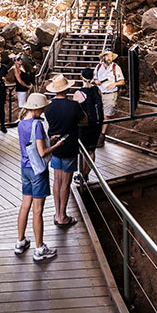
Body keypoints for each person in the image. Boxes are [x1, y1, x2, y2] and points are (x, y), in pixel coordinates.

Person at [15, 93, 67, 261]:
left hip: (25, 168)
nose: (44, 110)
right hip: (38, 170)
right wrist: (57, 145)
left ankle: (20, 241)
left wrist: (48, 140)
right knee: (38, 210)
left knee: (25, 205)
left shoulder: (21, 123)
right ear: (37, 108)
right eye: (43, 108)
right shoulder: (37, 125)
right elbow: (42, 152)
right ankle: (39, 249)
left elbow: (30, 143)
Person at [43, 73, 86, 228]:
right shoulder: (73, 105)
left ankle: (57, 212)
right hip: (69, 147)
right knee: (65, 183)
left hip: (55, 148)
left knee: (57, 180)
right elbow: (84, 120)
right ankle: (62, 216)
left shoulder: (48, 107)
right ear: (67, 89)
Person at [74, 68, 104, 183]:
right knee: (91, 151)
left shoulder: (79, 93)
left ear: (81, 77)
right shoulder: (97, 90)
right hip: (96, 125)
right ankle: (86, 175)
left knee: (82, 151)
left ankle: (81, 174)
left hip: (84, 126)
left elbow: (75, 110)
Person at [94, 51, 125, 147]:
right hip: (99, 94)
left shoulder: (116, 67)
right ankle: (97, 134)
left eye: (111, 56)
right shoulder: (98, 67)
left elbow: (122, 81)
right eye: (107, 56)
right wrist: (97, 81)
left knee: (107, 115)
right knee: (98, 114)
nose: (109, 58)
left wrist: (114, 84)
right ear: (103, 57)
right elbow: (94, 78)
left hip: (110, 94)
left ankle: (101, 136)